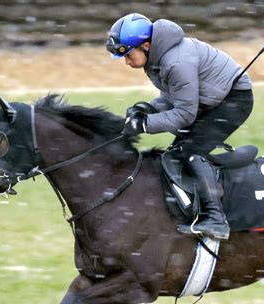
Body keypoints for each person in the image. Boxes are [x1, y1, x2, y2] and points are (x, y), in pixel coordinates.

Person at [106, 13, 253, 240]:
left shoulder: (175, 62)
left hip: (234, 100)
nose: (126, 61)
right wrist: (147, 109)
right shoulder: (157, 57)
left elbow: (184, 114)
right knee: (175, 155)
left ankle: (216, 219)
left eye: (127, 54)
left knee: (192, 152)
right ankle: (192, 205)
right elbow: (172, 98)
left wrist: (144, 125)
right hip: (209, 101)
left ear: (146, 45)